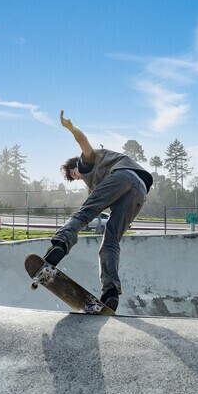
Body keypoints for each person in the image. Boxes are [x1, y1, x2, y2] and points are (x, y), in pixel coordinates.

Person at [43, 110, 153, 312]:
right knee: (111, 240)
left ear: (76, 165)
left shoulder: (86, 162)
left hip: (122, 176)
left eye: (73, 174)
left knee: (82, 214)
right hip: (140, 190)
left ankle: (59, 244)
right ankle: (110, 292)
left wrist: (70, 128)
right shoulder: (95, 180)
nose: (78, 177)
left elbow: (83, 141)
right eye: (75, 177)